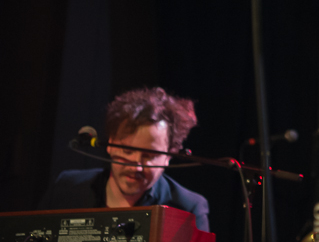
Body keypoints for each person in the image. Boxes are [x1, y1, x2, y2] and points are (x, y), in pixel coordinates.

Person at [39, 87, 209, 233]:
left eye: (149, 155)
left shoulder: (189, 210)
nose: (136, 166)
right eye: (128, 151)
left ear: (169, 156)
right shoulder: (66, 189)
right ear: (110, 144)